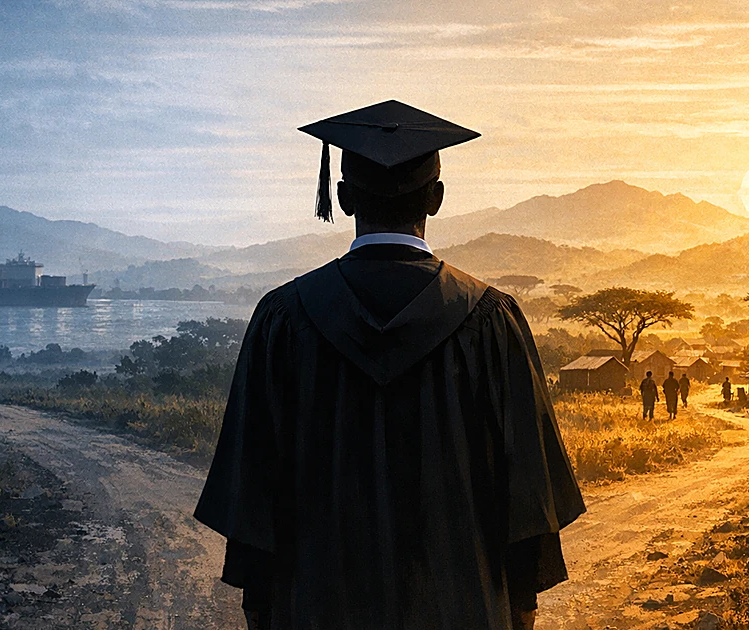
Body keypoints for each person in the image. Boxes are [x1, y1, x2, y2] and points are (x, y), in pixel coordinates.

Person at [193, 100, 586, 630]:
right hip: (462, 608)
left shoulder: (283, 320)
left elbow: (253, 502)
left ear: (343, 194)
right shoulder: (491, 321)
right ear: (437, 197)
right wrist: (516, 611)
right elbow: (528, 500)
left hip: (316, 607)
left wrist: (264, 610)